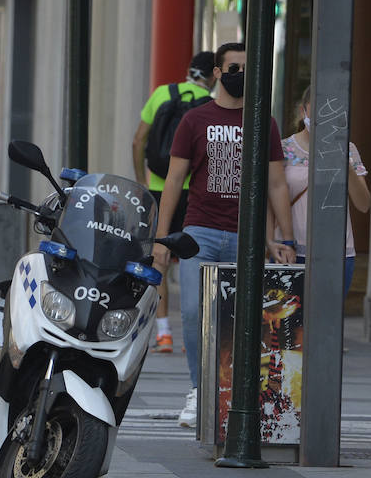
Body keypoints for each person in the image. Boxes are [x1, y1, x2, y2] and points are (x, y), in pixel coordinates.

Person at [154, 42, 296, 429]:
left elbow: (276, 184)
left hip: (245, 236)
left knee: (241, 323)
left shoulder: (263, 122)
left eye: (247, 68)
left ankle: (232, 397)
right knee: (193, 313)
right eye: (233, 68)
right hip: (198, 232)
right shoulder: (194, 120)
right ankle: (198, 390)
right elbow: (174, 181)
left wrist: (284, 239)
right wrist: (162, 239)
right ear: (217, 73)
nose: (240, 75)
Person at [131, 51, 215, 353]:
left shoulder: (162, 94)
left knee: (159, 259)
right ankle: (196, 336)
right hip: (196, 193)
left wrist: (142, 181)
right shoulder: (210, 106)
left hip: (158, 188)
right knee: (197, 260)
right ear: (214, 76)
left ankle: (164, 333)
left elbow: (138, 140)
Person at [276, 85, 370, 296]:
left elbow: (364, 204)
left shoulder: (348, 149)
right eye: (318, 108)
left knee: (328, 316)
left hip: (337, 253)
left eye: (332, 111)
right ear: (303, 110)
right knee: (289, 316)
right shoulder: (283, 149)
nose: (324, 116)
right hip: (290, 251)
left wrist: (344, 162)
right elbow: (272, 200)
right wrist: (275, 243)